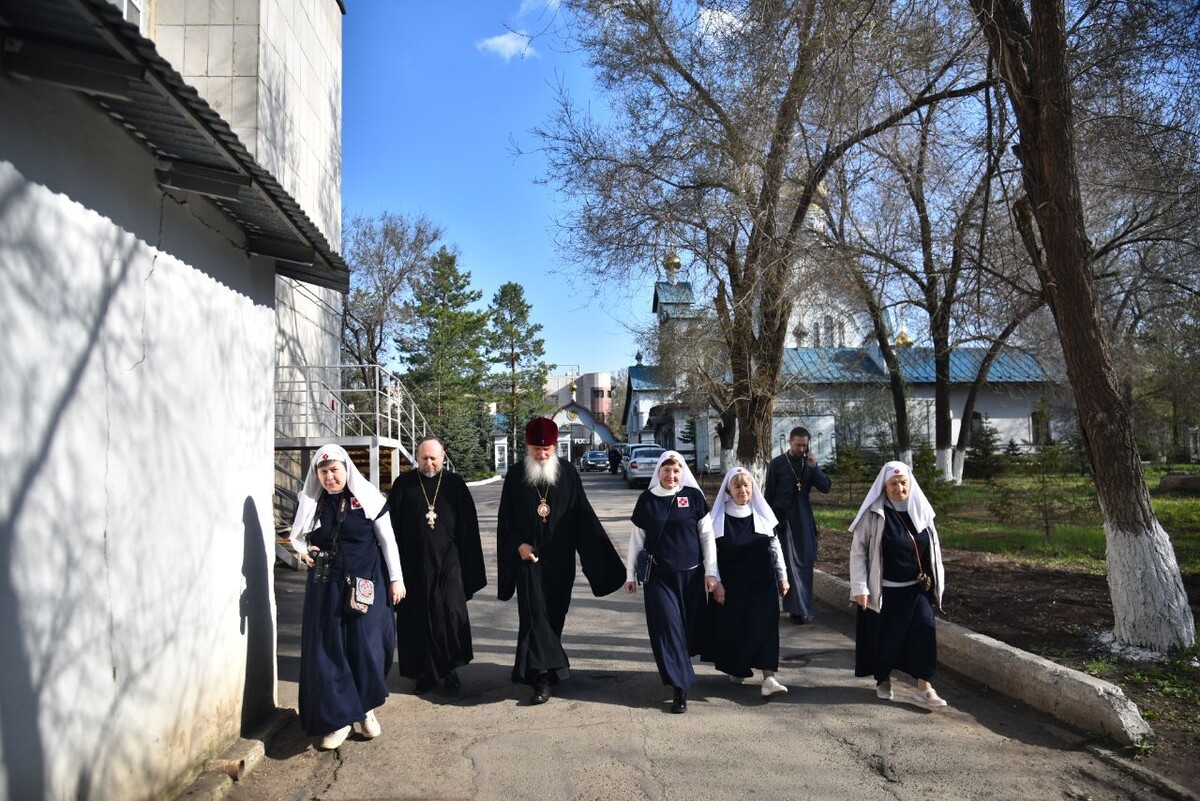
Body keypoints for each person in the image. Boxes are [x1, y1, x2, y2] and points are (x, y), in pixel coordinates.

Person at [497, 417, 627, 704]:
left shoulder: (567, 473)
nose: (541, 455)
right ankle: (544, 676)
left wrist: (602, 563)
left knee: (555, 614)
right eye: (536, 449)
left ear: (554, 447)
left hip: (560, 561)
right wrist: (518, 544)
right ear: (526, 446)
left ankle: (532, 668)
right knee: (534, 615)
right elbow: (505, 521)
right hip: (528, 560)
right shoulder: (516, 475)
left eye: (546, 450)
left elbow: (583, 516)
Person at [289, 444, 406, 750]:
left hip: (366, 585)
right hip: (326, 589)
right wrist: (305, 553)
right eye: (323, 472)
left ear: (346, 469)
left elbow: (388, 540)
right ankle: (339, 719)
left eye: (335, 471)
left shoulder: (367, 497)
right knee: (330, 652)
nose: (330, 478)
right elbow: (297, 538)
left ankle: (365, 710)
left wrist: (397, 580)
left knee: (366, 648)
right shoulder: (312, 502)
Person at [387, 436, 486, 694]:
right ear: (416, 457)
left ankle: (449, 669)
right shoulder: (403, 485)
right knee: (417, 617)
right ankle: (424, 672)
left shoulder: (454, 484)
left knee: (450, 614)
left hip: (449, 561)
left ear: (443, 457)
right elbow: (390, 529)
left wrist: (469, 568)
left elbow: (468, 528)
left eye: (434, 457)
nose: (429, 462)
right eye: (424, 457)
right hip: (413, 563)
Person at [625, 451, 720, 713]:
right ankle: (680, 687)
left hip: (690, 578)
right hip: (659, 578)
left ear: (682, 473)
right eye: (666, 470)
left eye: (676, 470)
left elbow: (707, 537)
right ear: (658, 472)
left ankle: (680, 671)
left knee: (686, 630)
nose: (671, 475)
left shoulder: (693, 498)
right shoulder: (647, 500)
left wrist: (711, 572)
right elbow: (637, 541)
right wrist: (630, 574)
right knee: (668, 629)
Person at [849, 461, 948, 708]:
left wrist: (937, 583)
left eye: (903, 483)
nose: (899, 488)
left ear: (910, 484)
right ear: (884, 486)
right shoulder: (874, 513)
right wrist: (860, 587)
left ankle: (925, 688)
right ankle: (883, 679)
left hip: (915, 589)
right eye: (893, 484)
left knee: (924, 631)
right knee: (885, 639)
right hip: (884, 591)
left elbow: (932, 550)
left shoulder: (921, 510)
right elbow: (858, 551)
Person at [701, 466, 791, 697]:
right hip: (732, 586)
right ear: (729, 490)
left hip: (762, 583)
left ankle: (769, 677)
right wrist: (717, 583)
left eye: (746, 485)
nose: (742, 490)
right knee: (737, 629)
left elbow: (775, 546)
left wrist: (782, 576)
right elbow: (710, 555)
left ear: (753, 489)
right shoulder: (717, 519)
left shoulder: (762, 514)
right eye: (737, 486)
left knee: (766, 627)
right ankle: (738, 667)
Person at [763, 426, 831, 623]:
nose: (802, 449)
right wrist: (770, 523)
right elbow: (769, 495)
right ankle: (796, 610)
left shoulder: (808, 463)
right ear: (790, 442)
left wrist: (814, 467)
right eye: (798, 445)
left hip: (803, 518)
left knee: (806, 562)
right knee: (789, 565)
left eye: (804, 445)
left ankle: (804, 608)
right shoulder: (777, 464)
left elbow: (826, 487)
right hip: (783, 519)